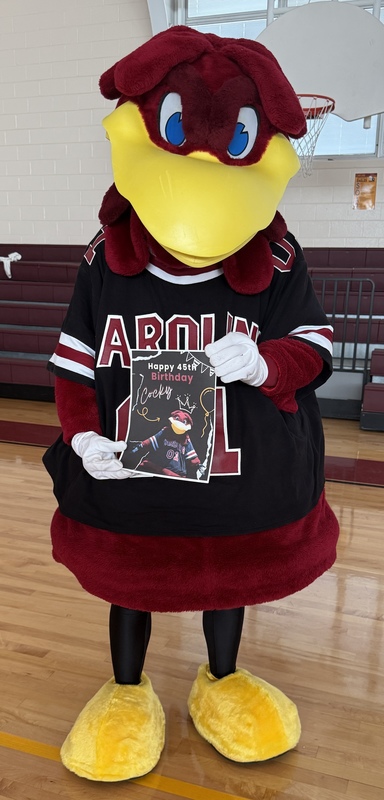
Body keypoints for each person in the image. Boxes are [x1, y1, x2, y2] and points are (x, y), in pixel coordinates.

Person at [43, 26, 339, 782]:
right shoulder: (103, 257)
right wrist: (80, 440)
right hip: (136, 483)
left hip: (239, 484)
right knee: (132, 584)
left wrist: (267, 359)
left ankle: (223, 677)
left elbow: (318, 349)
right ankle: (128, 688)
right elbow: (75, 364)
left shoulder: (276, 251)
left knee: (227, 582)